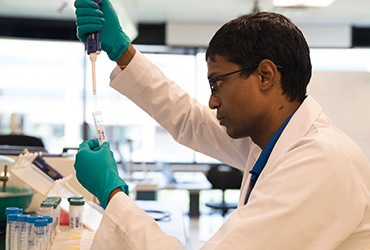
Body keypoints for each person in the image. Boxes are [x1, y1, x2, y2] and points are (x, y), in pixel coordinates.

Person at [73, 0, 370, 249]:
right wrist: (122, 52)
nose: (213, 102)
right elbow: (191, 119)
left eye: (217, 84)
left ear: (265, 75)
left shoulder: (319, 162)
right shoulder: (274, 141)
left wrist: (112, 194)